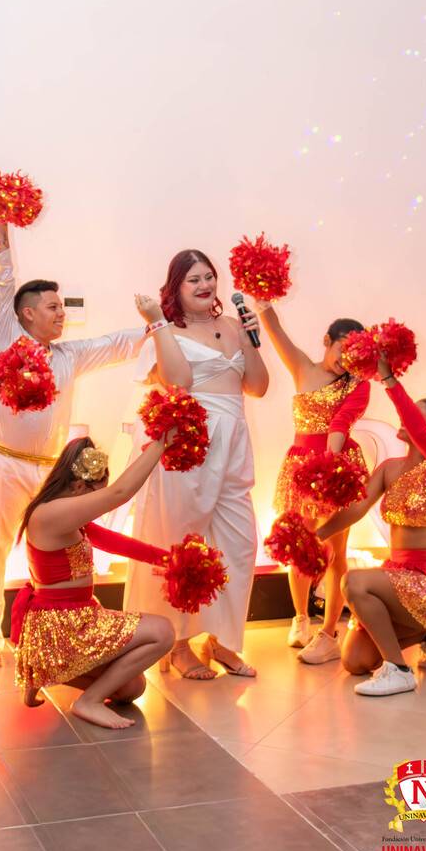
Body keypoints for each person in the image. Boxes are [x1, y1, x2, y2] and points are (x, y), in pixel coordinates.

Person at [0, 226, 145, 667]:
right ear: (27, 314)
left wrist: (161, 324)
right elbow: (1, 283)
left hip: (49, 470)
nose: (60, 314)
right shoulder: (6, 340)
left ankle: (44, 631)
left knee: (51, 554)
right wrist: (0, 230)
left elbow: (116, 345)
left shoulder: (69, 356)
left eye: (62, 307)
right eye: (53, 307)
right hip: (0, 461)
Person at [125, 248, 269, 680]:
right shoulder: (167, 330)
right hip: (191, 441)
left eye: (209, 276)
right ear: (176, 288)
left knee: (240, 545)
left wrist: (252, 337)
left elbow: (258, 386)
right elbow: (180, 381)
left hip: (234, 441)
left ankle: (223, 640)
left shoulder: (235, 326)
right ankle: (178, 644)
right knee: (180, 541)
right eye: (194, 279)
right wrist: (158, 324)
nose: (205, 285)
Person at [315, 357, 426, 696]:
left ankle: (398, 670)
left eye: (414, 415)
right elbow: (356, 509)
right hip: (396, 576)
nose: (405, 418)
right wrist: (318, 535)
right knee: (354, 662)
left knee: (353, 582)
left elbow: (412, 420)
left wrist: (387, 377)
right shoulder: (389, 468)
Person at [14, 436, 175, 729]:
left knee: (132, 688)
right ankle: (88, 701)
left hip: (77, 618)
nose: (96, 507)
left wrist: (169, 560)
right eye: (95, 498)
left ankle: (41, 670)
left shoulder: (64, 513)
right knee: (163, 632)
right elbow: (120, 493)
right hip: (66, 625)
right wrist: (160, 444)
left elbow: (113, 542)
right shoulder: (50, 514)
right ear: (78, 487)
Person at [259, 307, 370, 663]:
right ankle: (301, 618)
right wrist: (262, 302)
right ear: (327, 341)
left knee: (336, 550)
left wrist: (330, 469)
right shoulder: (302, 368)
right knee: (300, 544)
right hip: (301, 467)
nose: (346, 361)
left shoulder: (359, 384)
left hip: (337, 468)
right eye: (342, 350)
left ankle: (330, 630)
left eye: (355, 355)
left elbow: (341, 423)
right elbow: (274, 328)